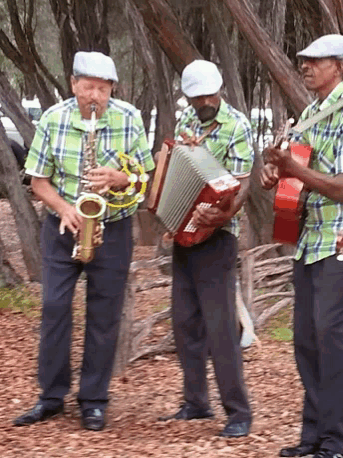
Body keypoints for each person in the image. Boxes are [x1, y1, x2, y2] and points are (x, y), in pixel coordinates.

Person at [14, 51, 155, 431]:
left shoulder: (129, 118)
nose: (95, 96)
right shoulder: (53, 119)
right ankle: (51, 396)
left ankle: (93, 400)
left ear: (112, 90)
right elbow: (38, 181)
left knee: (104, 315)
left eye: (103, 89)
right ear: (73, 84)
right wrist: (63, 208)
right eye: (88, 87)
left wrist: (119, 179)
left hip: (114, 227)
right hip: (63, 227)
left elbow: (146, 175)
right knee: (55, 306)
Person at [261, 35, 343, 458]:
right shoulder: (308, 116)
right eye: (304, 60)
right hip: (309, 243)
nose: (305, 66)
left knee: (332, 342)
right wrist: (277, 176)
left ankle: (335, 442)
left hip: (342, 244)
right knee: (307, 343)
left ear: (340, 67)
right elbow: (297, 182)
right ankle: (312, 438)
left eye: (315, 60)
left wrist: (293, 167)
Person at [158, 59, 253, 438]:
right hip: (186, 234)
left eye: (209, 95)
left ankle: (239, 412)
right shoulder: (187, 124)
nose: (204, 102)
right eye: (197, 98)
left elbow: (242, 183)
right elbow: (178, 167)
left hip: (219, 235)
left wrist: (222, 213)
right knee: (184, 321)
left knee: (220, 327)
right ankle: (196, 402)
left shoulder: (237, 125)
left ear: (219, 89)